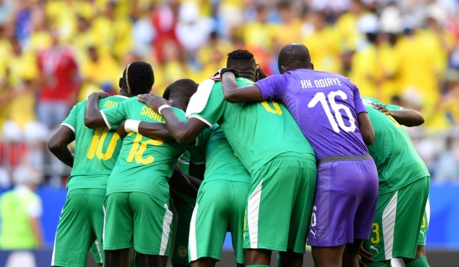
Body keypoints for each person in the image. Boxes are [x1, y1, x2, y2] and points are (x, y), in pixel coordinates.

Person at [139, 49, 317, 267]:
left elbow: (183, 135)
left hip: (225, 185)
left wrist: (157, 111)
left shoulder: (216, 93)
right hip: (291, 169)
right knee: (289, 252)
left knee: (230, 256)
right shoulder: (273, 92)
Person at [220, 43, 378, 267]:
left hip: (334, 172)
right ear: (311, 65)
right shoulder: (345, 81)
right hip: (368, 172)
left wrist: (227, 72)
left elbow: (232, 94)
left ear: (283, 68)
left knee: (327, 261)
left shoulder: (284, 81)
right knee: (350, 258)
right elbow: (368, 135)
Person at [84, 75, 198, 267]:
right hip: (150, 188)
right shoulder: (185, 120)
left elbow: (97, 120)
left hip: (116, 187)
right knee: (151, 259)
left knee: (115, 258)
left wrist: (130, 125)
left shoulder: (134, 106)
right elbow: (181, 135)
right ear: (192, 100)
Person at [47, 63, 135, 267]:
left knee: (65, 262)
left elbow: (55, 143)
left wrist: (78, 165)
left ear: (120, 83)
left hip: (76, 190)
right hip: (110, 192)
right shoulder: (135, 110)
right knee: (116, 261)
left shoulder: (83, 107)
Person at [360, 98, 431, 267]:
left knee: (373, 254)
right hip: (417, 175)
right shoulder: (366, 101)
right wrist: (388, 113)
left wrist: (389, 112)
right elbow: (418, 117)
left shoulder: (351, 107)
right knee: (413, 254)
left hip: (394, 181)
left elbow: (417, 117)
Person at [187, 125, 250, 267]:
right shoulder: (255, 125)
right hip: (248, 190)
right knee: (250, 260)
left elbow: (189, 138)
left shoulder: (211, 124)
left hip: (214, 189)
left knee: (201, 259)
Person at [0, 165, 44, 250]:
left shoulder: (4, 198)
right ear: (30, 183)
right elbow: (34, 224)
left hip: (4, 244)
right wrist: (40, 245)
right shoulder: (32, 199)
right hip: (25, 246)